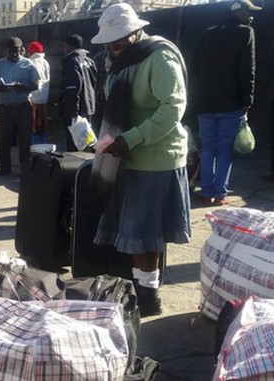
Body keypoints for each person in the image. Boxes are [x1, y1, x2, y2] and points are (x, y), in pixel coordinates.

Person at [89, 3, 191, 317]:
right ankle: (142, 290)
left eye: (117, 40)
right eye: (107, 41)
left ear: (136, 32)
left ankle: (149, 299)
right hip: (126, 155)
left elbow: (172, 109)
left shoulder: (159, 57)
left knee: (144, 234)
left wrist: (129, 139)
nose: (110, 46)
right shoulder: (117, 60)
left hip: (156, 158)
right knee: (135, 233)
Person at [192, 0, 260, 206]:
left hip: (205, 103)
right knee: (224, 149)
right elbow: (248, 69)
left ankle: (206, 191)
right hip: (231, 103)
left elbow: (195, 69)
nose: (251, 16)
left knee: (208, 148)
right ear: (238, 12)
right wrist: (247, 99)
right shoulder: (245, 32)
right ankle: (220, 194)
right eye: (249, 12)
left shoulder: (207, 34)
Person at [0, 37, 40, 176]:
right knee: (5, 139)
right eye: (11, 51)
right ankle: (5, 168)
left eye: (16, 51)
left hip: (23, 107)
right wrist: (0, 88)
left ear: (21, 49)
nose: (14, 54)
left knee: (24, 139)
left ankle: (25, 168)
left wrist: (22, 87)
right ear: (7, 50)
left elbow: (36, 84)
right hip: (5, 108)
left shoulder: (28, 64)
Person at [60, 34, 97, 152]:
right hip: (89, 107)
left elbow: (72, 87)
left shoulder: (71, 61)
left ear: (71, 47)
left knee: (74, 145)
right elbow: (95, 81)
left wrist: (72, 113)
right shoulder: (90, 60)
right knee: (87, 141)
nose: (63, 50)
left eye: (65, 46)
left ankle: (76, 169)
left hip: (75, 110)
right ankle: (88, 167)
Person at [26, 41, 50, 144]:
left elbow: (35, 81)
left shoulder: (33, 62)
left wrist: (29, 96)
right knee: (42, 125)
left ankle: (35, 147)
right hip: (44, 97)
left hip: (34, 98)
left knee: (34, 126)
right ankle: (43, 144)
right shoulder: (45, 62)